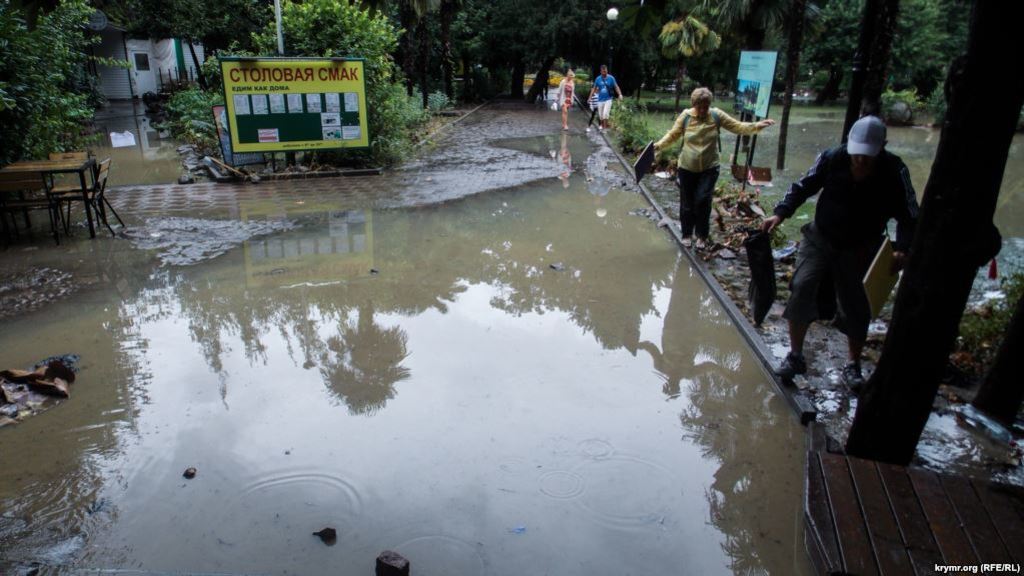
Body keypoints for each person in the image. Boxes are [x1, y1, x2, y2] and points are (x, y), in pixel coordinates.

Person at [760, 115, 919, 391]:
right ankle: (795, 356)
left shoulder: (895, 171)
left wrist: (902, 248)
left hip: (862, 246)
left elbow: (909, 213)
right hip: (821, 236)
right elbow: (804, 185)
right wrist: (780, 213)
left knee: (857, 304)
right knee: (802, 285)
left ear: (882, 148)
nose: (860, 161)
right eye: (857, 155)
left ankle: (853, 364)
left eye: (867, 157)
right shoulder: (833, 158)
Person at [654, 87, 775, 249]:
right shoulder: (686, 117)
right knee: (687, 202)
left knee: (703, 200)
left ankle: (702, 236)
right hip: (687, 168)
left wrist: (757, 125)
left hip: (709, 168)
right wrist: (658, 146)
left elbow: (737, 126)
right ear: (694, 105)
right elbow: (673, 135)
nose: (703, 110)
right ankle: (687, 234)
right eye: (700, 106)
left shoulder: (716, 115)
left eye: (706, 106)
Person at [588, 65, 622, 132]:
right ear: (601, 72)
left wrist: (620, 94)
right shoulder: (598, 79)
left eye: (606, 71)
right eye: (603, 71)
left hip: (608, 99)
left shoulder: (611, 78)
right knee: (601, 116)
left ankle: (604, 129)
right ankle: (604, 126)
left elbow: (616, 87)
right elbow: (594, 88)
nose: (605, 73)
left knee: (605, 114)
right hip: (600, 100)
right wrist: (590, 97)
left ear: (607, 71)